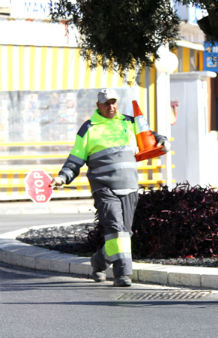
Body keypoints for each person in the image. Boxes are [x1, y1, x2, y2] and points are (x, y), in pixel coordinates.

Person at [50, 88, 169, 287]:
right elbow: (76, 158)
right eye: (106, 103)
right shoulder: (89, 128)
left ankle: (99, 260)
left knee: (124, 233)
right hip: (103, 187)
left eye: (113, 102)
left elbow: (149, 136)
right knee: (115, 229)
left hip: (129, 186)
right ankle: (123, 274)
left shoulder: (129, 122)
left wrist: (161, 140)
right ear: (98, 106)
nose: (111, 106)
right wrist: (63, 177)